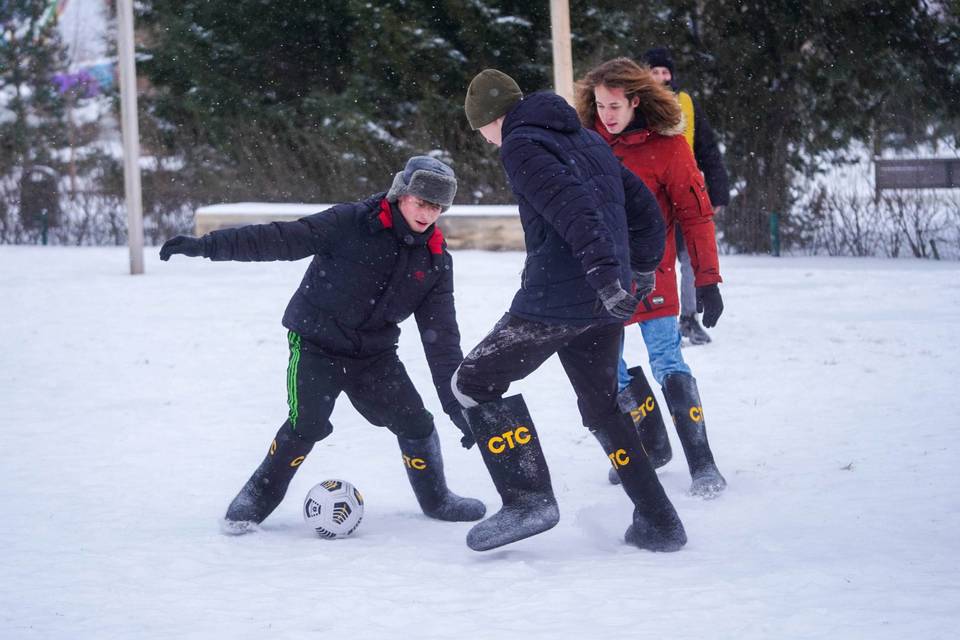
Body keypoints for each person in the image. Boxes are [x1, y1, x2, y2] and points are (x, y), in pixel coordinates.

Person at [159, 156, 486, 534]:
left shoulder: (434, 260)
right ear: (401, 194)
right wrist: (207, 246)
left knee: (417, 425)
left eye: (437, 206)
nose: (428, 213)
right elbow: (280, 239)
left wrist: (455, 405)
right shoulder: (351, 222)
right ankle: (256, 498)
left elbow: (441, 340)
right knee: (307, 425)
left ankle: (437, 499)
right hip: (316, 343)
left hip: (374, 356)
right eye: (421, 202)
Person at [452, 68, 686, 553]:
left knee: (472, 382)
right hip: (605, 300)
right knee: (602, 405)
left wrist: (603, 275)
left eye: (483, 132)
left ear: (492, 119)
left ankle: (527, 499)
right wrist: (636, 271)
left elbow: (575, 211)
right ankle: (659, 521)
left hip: (562, 297)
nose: (490, 142)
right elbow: (642, 205)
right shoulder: (586, 139)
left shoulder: (521, 144)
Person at [575, 57, 726, 498]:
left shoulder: (669, 146)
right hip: (602, 279)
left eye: (616, 105)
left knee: (668, 362)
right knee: (611, 372)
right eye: (600, 105)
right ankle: (653, 447)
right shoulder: (586, 145)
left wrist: (707, 279)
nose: (608, 114)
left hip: (652, 272)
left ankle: (703, 464)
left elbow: (696, 215)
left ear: (636, 101)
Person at [643, 46, 731, 345]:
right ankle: (659, 320)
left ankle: (689, 318)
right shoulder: (634, 105)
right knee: (657, 262)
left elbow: (707, 149)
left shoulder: (686, 104)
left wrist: (718, 191)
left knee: (690, 259)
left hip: (683, 192)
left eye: (664, 71)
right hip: (651, 199)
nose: (660, 77)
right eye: (654, 71)